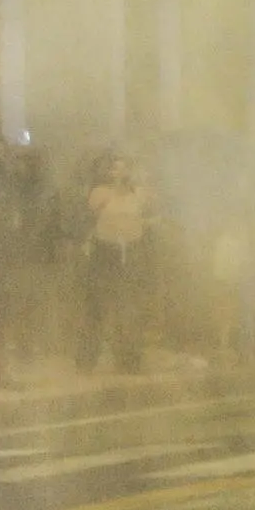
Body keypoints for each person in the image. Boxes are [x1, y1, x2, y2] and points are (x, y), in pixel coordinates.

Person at [81, 154, 154, 374]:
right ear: (108, 172)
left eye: (123, 169)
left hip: (131, 251)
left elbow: (148, 214)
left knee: (129, 306)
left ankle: (129, 359)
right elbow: (89, 215)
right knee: (98, 306)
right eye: (115, 169)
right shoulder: (100, 193)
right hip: (105, 251)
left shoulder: (139, 194)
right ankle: (87, 359)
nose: (119, 173)